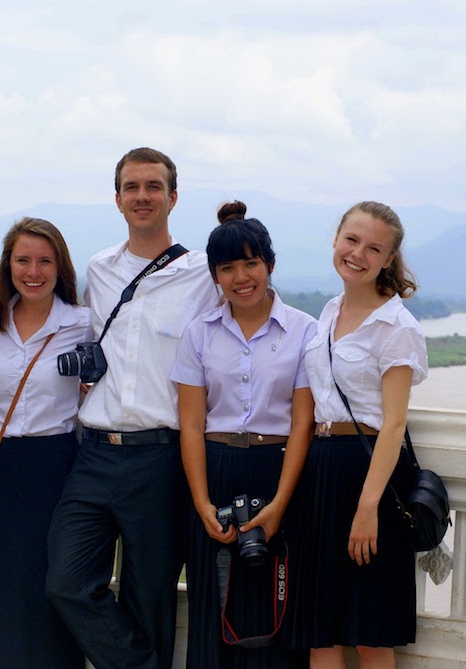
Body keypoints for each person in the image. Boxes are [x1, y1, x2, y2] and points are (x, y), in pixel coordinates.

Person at [45, 147, 220, 669]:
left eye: (153, 186)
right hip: (94, 452)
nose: (142, 196)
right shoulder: (98, 269)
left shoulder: (202, 275)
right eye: (131, 187)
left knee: (151, 598)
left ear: (172, 196)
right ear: (117, 197)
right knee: (67, 582)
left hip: (160, 457)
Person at [170, 201, 315, 669]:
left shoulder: (304, 332)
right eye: (227, 267)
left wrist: (280, 504)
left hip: (278, 473)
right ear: (215, 275)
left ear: (269, 265)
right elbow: (191, 424)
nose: (240, 277)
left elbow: (301, 427)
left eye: (250, 263)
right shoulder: (199, 334)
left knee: (277, 603)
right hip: (214, 471)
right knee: (213, 606)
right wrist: (201, 503)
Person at [286, 202, 428, 668]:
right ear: (336, 240)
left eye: (374, 248)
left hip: (369, 478)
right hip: (321, 472)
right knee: (320, 629)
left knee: (369, 633)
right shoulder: (329, 312)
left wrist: (368, 509)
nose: (358, 254)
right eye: (351, 240)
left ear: (389, 259)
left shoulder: (396, 326)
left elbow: (393, 423)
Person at [0, 218, 90, 669]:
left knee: (49, 586)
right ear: (8, 265)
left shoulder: (81, 322)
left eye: (44, 260)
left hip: (55, 464)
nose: (33, 271)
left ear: (60, 267)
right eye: (23, 260)